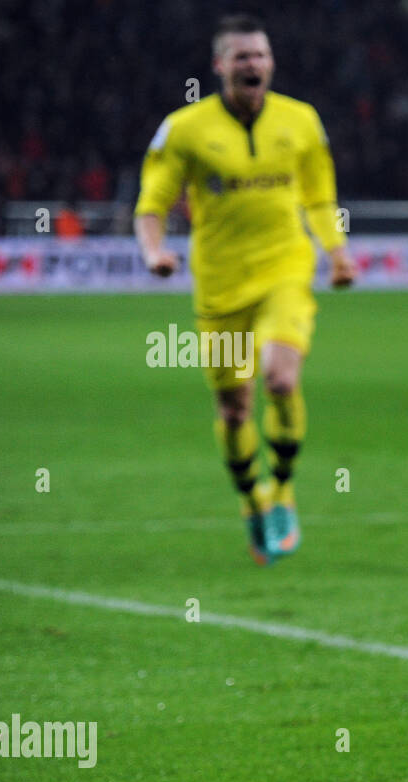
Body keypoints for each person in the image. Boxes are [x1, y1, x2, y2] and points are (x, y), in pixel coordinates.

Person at [135, 14, 355, 565]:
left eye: (260, 55)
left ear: (271, 62)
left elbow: (320, 197)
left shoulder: (301, 121)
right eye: (241, 56)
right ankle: (249, 497)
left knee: (281, 379)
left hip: (285, 271)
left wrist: (337, 252)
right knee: (235, 410)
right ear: (220, 66)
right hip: (221, 287)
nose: (252, 64)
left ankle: (281, 487)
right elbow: (152, 202)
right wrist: (154, 251)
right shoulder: (184, 129)